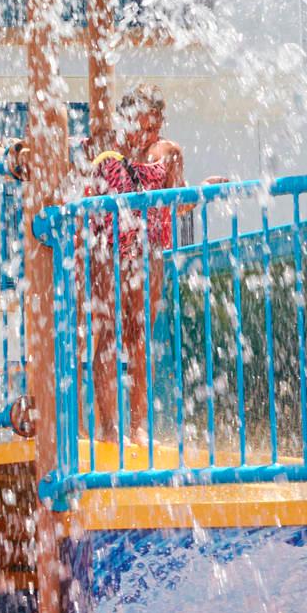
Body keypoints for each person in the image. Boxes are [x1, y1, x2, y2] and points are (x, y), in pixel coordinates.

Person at [82, 89, 190, 442]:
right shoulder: (105, 151)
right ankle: (109, 426)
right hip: (109, 252)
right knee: (109, 336)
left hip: (150, 252)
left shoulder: (169, 153)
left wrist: (200, 192)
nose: (147, 136)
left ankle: (138, 425)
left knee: (139, 338)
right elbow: (88, 202)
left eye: (154, 128)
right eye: (142, 127)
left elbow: (180, 202)